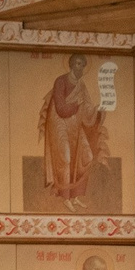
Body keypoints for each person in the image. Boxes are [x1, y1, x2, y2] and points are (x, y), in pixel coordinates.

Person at [39, 52, 108, 209]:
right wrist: (76, 104)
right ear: (71, 65)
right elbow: (61, 108)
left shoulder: (81, 86)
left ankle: (75, 195)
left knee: (87, 156)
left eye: (82, 65)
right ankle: (65, 197)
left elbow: (87, 109)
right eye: (78, 64)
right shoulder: (61, 81)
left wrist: (98, 110)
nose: (80, 68)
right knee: (66, 158)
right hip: (59, 125)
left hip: (75, 126)